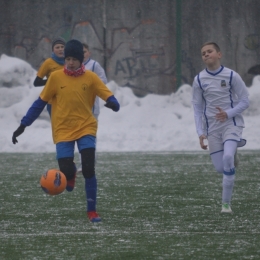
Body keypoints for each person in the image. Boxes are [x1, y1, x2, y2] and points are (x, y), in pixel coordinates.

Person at [12, 39, 120, 222]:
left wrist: (113, 103)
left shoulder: (91, 78)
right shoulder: (55, 78)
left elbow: (108, 95)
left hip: (86, 126)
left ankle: (92, 211)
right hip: (62, 130)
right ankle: (70, 176)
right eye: (67, 58)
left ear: (80, 60)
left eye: (74, 59)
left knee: (88, 169)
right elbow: (39, 104)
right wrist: (23, 125)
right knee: (66, 169)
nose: (70, 62)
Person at [192, 42, 249, 214]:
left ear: (219, 54)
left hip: (231, 124)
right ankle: (232, 156)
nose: (206, 55)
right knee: (220, 168)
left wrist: (229, 113)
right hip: (213, 129)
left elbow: (245, 100)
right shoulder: (199, 80)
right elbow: (197, 107)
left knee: (227, 157)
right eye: (203, 53)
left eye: (209, 51)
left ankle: (226, 205)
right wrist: (200, 132)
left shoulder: (232, 76)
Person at [75, 43, 108, 172]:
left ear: (89, 53)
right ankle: (83, 162)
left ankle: (90, 161)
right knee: (78, 134)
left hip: (91, 109)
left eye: (85, 52)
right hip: (76, 108)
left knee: (89, 135)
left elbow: (103, 82)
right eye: (80, 52)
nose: (83, 54)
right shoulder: (72, 66)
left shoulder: (94, 65)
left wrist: (89, 86)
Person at [33, 37, 66, 116]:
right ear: (53, 50)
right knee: (57, 127)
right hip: (52, 102)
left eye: (62, 47)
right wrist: (51, 81)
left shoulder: (70, 62)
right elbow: (36, 82)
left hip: (67, 100)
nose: (60, 49)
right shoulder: (48, 63)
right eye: (57, 47)